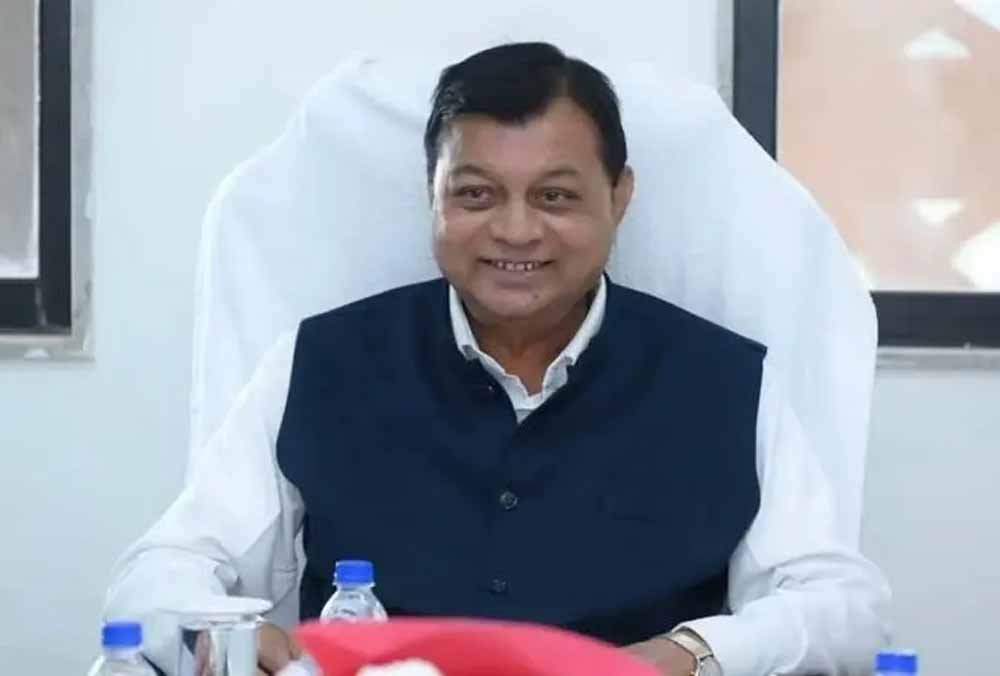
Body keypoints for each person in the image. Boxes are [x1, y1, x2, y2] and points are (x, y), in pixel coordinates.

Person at [105, 42, 890, 676]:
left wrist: (685, 655)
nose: (516, 232)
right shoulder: (320, 362)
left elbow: (843, 607)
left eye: (555, 197)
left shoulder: (725, 382)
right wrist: (229, 636)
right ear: (432, 195)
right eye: (476, 195)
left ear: (619, 197)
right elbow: (160, 574)